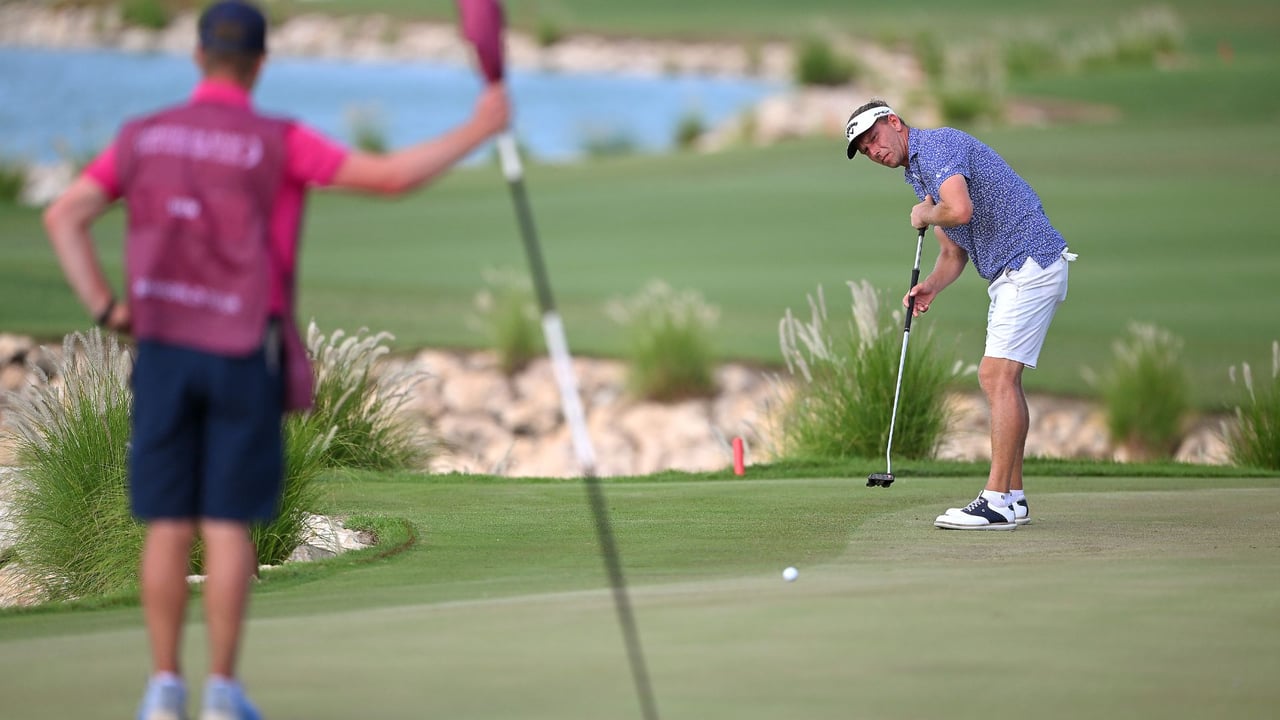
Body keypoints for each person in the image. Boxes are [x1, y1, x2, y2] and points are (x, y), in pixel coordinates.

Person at [42, 2, 510, 718]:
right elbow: (388, 177)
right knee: (228, 523)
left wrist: (109, 310)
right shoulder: (275, 139)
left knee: (167, 522)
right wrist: (480, 126)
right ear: (260, 64)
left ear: (198, 57)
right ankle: (223, 694)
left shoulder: (143, 136)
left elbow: (63, 216)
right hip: (241, 353)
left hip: (163, 348)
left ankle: (164, 690)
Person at [844, 99, 1076, 531]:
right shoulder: (920, 171)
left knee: (995, 376)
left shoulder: (937, 147)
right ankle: (1014, 497)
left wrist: (926, 213)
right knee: (1004, 378)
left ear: (894, 123)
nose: (874, 151)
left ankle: (995, 501)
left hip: (1029, 263)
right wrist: (929, 285)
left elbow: (959, 210)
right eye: (865, 149)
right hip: (1016, 270)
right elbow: (954, 250)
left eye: (874, 138)